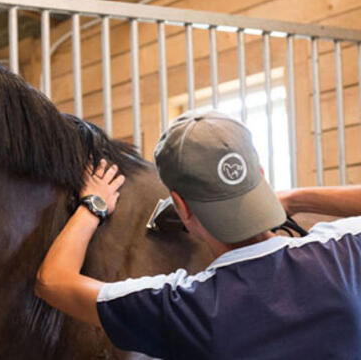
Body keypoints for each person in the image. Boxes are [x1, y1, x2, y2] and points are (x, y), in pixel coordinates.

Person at [35, 110, 361, 359]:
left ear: (181, 206)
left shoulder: (185, 306)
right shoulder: (344, 250)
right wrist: (295, 198)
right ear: (260, 175)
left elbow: (53, 281)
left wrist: (93, 205)